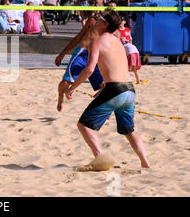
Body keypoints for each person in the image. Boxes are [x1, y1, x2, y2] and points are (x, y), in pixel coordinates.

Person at [64, 10, 150, 169]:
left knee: (84, 126)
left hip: (115, 90)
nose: (95, 20)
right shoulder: (118, 41)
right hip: (129, 90)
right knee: (129, 131)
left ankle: (101, 158)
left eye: (99, 18)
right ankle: (146, 163)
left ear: (105, 24)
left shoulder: (96, 42)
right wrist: (104, 87)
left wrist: (72, 88)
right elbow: (117, 67)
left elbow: (89, 69)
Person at [54, 8, 114, 112]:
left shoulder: (111, 30)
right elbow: (78, 38)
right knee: (66, 82)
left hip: (97, 56)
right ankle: (60, 97)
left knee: (104, 86)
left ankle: (104, 110)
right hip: (82, 53)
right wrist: (62, 54)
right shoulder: (93, 22)